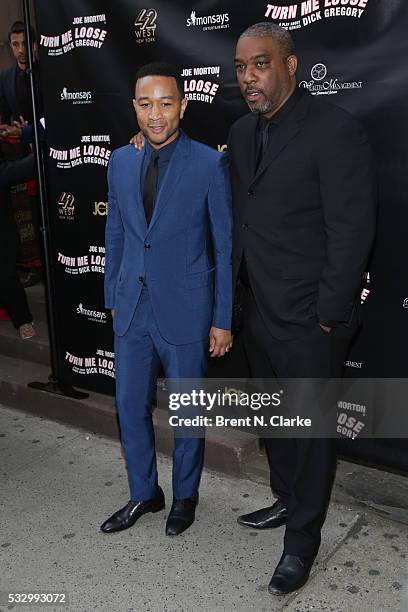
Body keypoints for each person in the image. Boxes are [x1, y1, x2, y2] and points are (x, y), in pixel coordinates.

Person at [228, 23, 376, 595]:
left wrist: (327, 314)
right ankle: (286, 501)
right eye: (241, 68)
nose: (249, 78)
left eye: (260, 65)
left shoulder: (334, 129)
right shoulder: (241, 133)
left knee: (310, 435)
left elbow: (352, 230)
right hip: (258, 310)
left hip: (310, 319)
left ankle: (302, 542)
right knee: (274, 421)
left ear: (291, 65)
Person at [101, 62, 233, 537]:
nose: (155, 115)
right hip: (131, 308)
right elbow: (114, 231)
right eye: (145, 103)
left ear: (182, 105)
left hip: (187, 308)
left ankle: (186, 495)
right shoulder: (120, 160)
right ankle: (144, 494)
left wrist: (222, 318)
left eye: (165, 102)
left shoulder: (209, 163)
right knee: (128, 404)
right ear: (134, 107)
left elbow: (225, 244)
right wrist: (111, 293)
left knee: (188, 410)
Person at [0, 20, 43, 288]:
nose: (20, 50)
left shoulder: (50, 74)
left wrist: (30, 132)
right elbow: (6, 114)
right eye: (14, 45)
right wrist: (8, 130)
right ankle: (35, 266)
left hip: (51, 152)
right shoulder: (4, 78)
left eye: (24, 44)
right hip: (21, 158)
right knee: (31, 216)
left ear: (35, 45)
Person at [0, 149, 35, 339]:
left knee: (5, 276)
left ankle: (23, 319)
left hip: (3, 231)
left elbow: (22, 168)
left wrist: (45, 145)